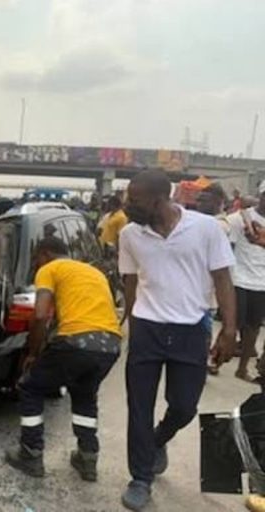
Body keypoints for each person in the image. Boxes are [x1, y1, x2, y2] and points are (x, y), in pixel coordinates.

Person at [118, 170, 236, 511]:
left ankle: (158, 440)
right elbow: (129, 280)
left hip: (190, 329)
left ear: (160, 199)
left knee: (184, 406)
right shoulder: (130, 234)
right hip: (147, 328)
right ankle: (140, 478)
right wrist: (130, 319)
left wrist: (228, 331)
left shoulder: (205, 228)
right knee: (138, 407)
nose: (129, 206)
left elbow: (223, 279)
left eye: (135, 200)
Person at [5, 236, 121, 482]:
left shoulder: (50, 268)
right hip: (110, 345)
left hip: (76, 341)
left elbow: (39, 316)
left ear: (45, 254)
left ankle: (30, 453)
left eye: (36, 260)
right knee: (84, 395)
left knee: (30, 387)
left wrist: (33, 354)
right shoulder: (93, 272)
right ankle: (87, 458)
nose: (36, 266)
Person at [227, 181, 265, 383]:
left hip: (262, 283)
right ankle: (216, 359)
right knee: (232, 323)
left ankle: (242, 369)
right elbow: (227, 248)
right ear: (261, 196)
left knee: (253, 327)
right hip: (239, 278)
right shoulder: (239, 219)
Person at [196, 183, 230, 375]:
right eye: (199, 199)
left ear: (218, 202)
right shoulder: (201, 222)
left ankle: (203, 361)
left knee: (204, 327)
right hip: (196, 286)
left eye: (204, 199)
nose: (199, 203)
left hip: (209, 288)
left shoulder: (220, 225)